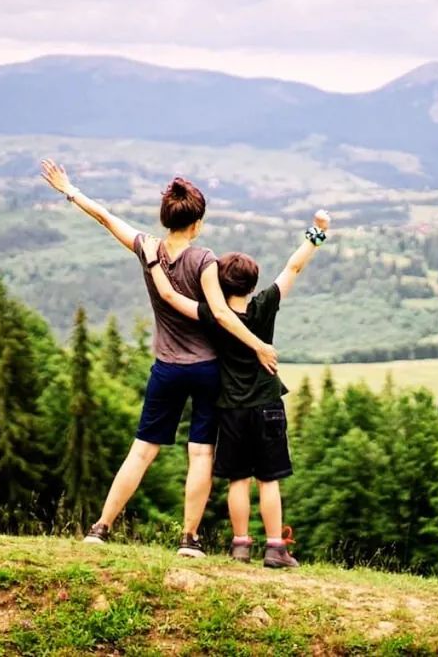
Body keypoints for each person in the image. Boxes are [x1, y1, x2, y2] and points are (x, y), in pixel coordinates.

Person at [39, 159, 278, 557]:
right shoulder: (204, 260)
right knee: (200, 453)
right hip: (207, 369)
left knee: (142, 449)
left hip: (166, 368)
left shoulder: (147, 248)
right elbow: (220, 314)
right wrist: (258, 345)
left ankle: (101, 527)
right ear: (196, 223)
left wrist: (70, 190)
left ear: (166, 219)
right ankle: (189, 538)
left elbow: (105, 218)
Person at [141, 209, 330, 568]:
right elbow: (293, 267)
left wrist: (153, 261)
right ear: (252, 285)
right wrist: (317, 233)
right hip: (267, 405)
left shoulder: (212, 316)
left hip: (230, 408)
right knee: (269, 479)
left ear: (218, 285)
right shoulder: (264, 305)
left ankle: (240, 545)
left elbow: (169, 296)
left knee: (238, 479)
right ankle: (275, 548)